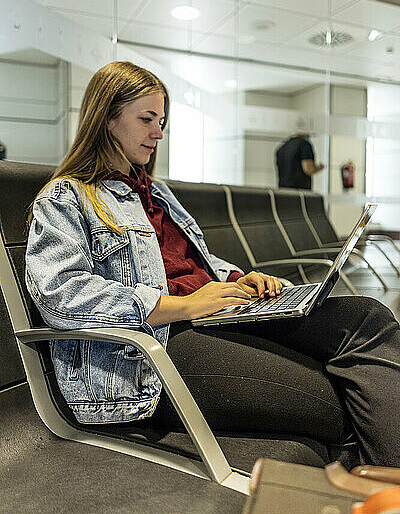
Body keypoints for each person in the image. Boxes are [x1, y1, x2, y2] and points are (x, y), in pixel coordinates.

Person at [25, 61, 400, 468]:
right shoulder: (67, 197)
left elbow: (193, 261)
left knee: (366, 318)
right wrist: (183, 306)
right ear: (108, 119)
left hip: (215, 315)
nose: (159, 132)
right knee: (333, 398)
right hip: (160, 343)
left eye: (162, 120)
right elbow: (59, 293)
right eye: (147, 119)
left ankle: (383, 486)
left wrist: (239, 279)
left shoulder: (157, 193)